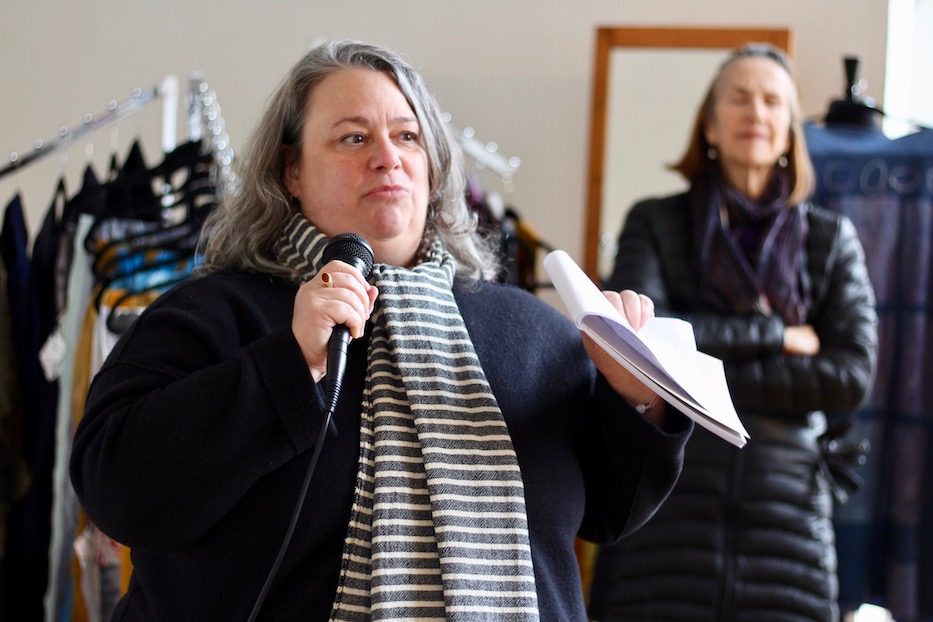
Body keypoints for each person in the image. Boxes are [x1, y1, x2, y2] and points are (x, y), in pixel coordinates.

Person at [69, 40, 693, 621]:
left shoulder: (529, 329)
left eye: (408, 136)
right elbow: (115, 488)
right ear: (291, 171)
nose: (387, 156)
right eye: (353, 137)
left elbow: (611, 513)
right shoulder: (211, 313)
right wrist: (287, 366)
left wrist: (635, 399)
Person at [587, 43, 878, 622]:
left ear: (790, 131)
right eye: (739, 98)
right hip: (663, 507)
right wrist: (777, 335)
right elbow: (640, 350)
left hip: (788, 512)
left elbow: (850, 376)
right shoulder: (655, 220)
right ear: (711, 125)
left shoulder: (830, 239)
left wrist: (696, 368)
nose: (757, 112)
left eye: (773, 101)